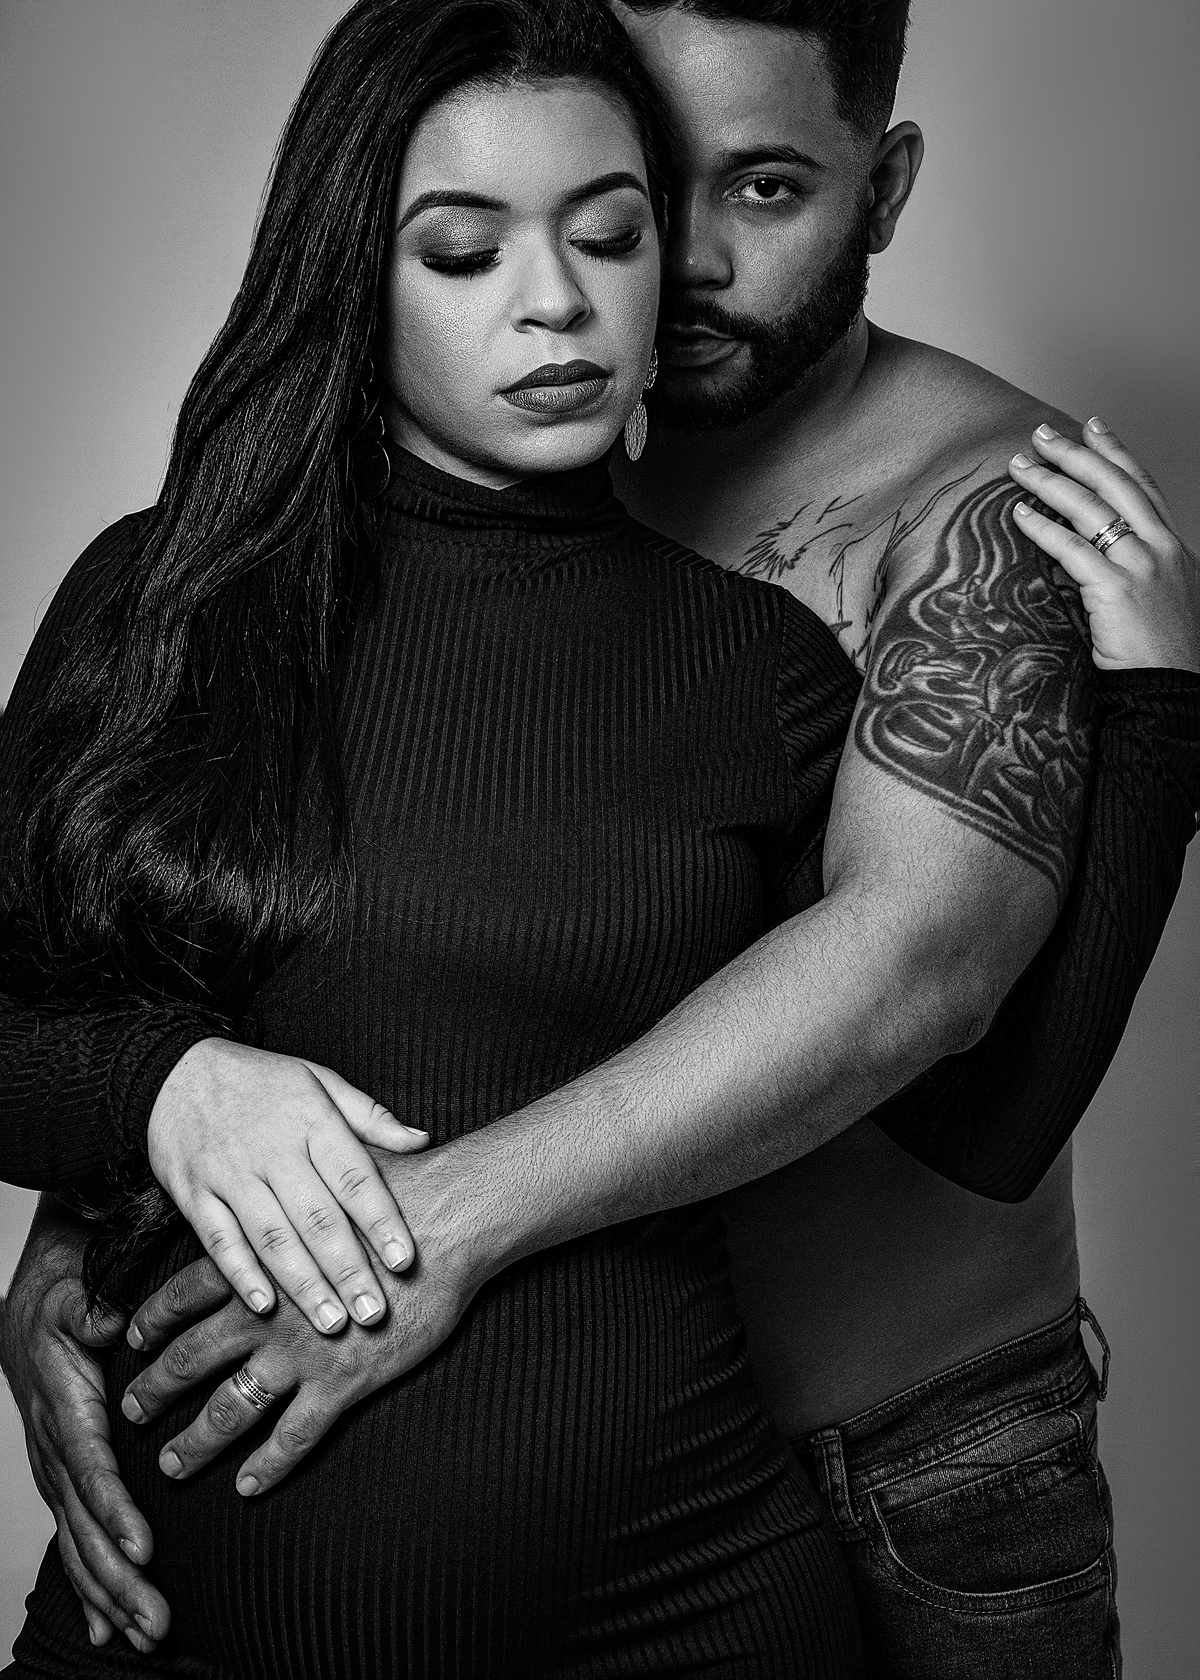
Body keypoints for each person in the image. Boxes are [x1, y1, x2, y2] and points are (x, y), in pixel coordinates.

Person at [1, 0, 1198, 1676]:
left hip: (788, 1519)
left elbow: (950, 1045)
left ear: (883, 189)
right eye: (467, 250)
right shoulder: (182, 590)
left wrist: (1159, 719)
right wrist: (136, 1141)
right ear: (355, 269)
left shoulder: (827, 612)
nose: (581, 294)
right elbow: (107, 976)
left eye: (619, 229)